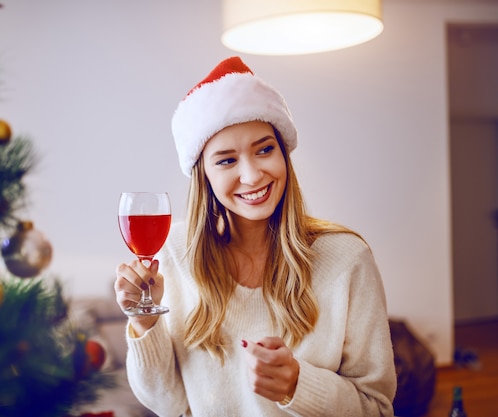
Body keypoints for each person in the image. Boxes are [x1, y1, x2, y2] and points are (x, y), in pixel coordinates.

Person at [114, 56, 396, 417]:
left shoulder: (347, 260)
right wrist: (144, 321)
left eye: (265, 149)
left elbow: (377, 408)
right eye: (226, 160)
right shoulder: (174, 255)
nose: (251, 175)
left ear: (284, 153)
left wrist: (298, 385)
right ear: (205, 177)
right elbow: (170, 405)